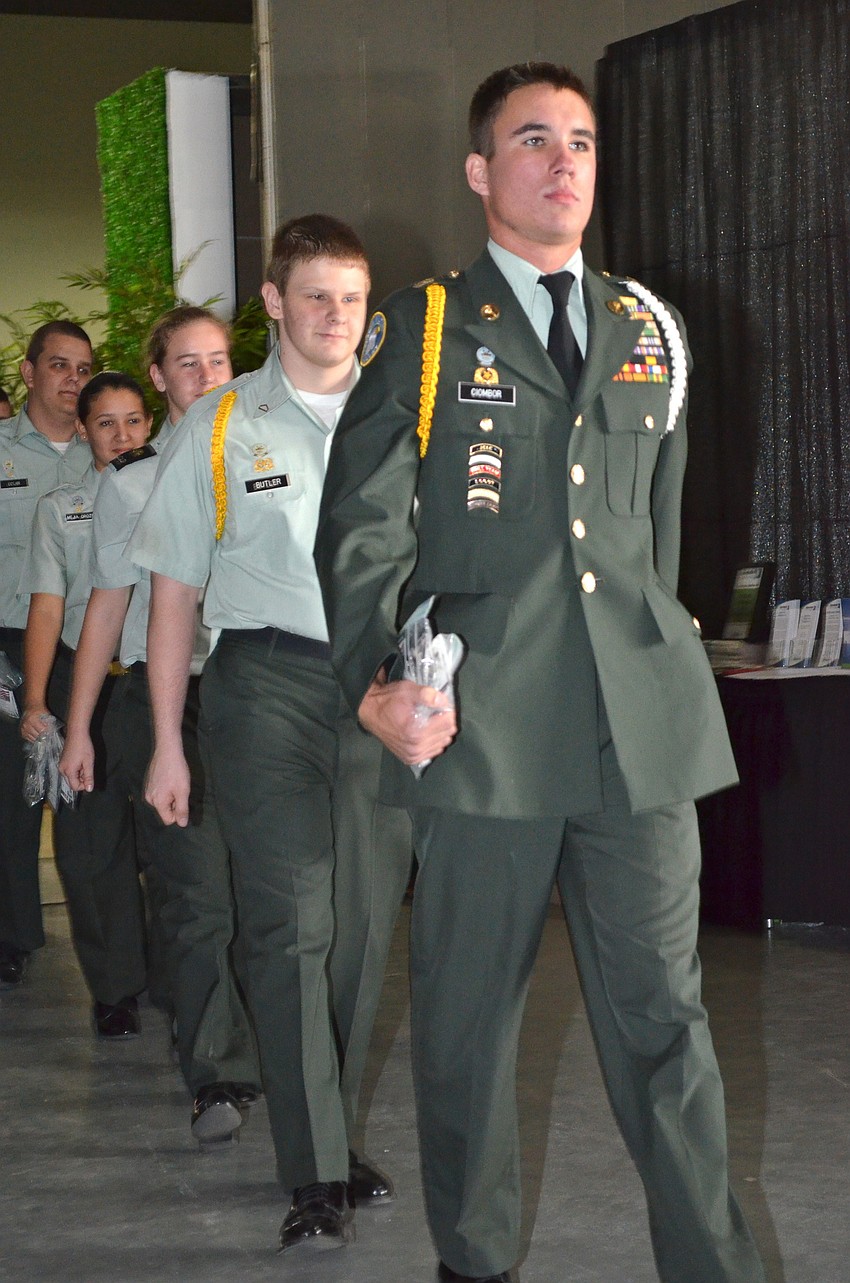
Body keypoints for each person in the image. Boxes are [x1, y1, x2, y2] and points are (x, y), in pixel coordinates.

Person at [314, 63, 766, 1283]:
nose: (563, 160)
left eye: (579, 139)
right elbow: (360, 529)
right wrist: (375, 682)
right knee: (465, 1024)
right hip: (479, 730)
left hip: (637, 732)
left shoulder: (649, 329)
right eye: (531, 139)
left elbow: (658, 539)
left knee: (666, 1023)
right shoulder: (418, 330)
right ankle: (473, 1258)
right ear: (479, 172)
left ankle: (714, 1266)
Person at [127, 214, 412, 1254]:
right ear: (275, 302)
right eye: (317, 295)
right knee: (290, 926)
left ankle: (322, 1126)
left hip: (381, 691)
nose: (337, 314)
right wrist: (167, 739)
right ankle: (313, 1166)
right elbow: (170, 595)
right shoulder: (218, 422)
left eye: (353, 295)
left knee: (367, 926)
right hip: (267, 686)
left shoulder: (404, 417)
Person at [59, 308, 260, 1135]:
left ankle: (284, 1052)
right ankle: (216, 1073)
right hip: (165, 700)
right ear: (158, 377)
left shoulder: (267, 460)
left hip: (261, 690)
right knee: (193, 886)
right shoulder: (131, 480)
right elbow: (106, 608)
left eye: (219, 362)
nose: (208, 376)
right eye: (188, 364)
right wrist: (79, 727)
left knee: (273, 892)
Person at [19, 372, 152, 1035]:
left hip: (160, 684)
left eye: (134, 420)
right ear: (83, 430)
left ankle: (183, 981)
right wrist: (38, 699)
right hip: (85, 685)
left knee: (172, 837)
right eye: (106, 422)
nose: (122, 434)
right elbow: (46, 605)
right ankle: (115, 986)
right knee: (88, 846)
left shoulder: (175, 495)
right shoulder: (61, 506)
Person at [0, 321, 93, 990]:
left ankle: (111, 949)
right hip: (8, 643)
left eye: (84, 368)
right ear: (29, 373)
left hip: (89, 647)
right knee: (12, 799)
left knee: (93, 802)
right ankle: (13, 937)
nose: (72, 379)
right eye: (58, 365)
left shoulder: (107, 452)